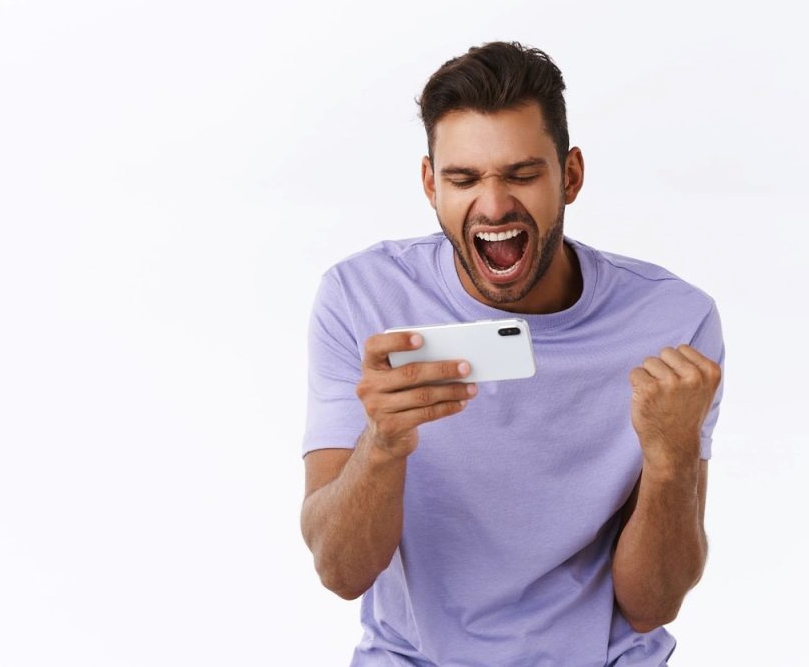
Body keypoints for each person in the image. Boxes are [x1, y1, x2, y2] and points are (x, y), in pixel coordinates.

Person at [299, 41, 724, 666]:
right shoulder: (362, 299)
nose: (494, 206)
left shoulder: (672, 323)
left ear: (570, 176)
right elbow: (341, 573)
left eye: (522, 175)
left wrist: (671, 459)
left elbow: (651, 605)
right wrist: (383, 445)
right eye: (464, 179)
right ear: (429, 184)